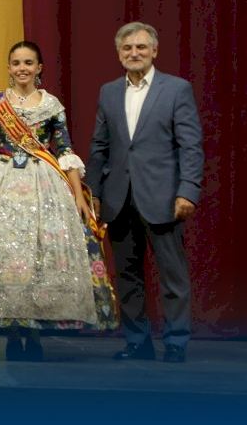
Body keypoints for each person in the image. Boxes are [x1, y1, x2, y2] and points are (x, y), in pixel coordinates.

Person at [0, 41, 117, 361]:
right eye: (16, 63)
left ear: (39, 68)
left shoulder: (52, 106)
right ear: (9, 67)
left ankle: (34, 332)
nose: (22, 68)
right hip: (0, 184)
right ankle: (13, 333)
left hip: (43, 184)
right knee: (7, 256)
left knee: (38, 257)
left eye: (28, 63)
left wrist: (77, 195)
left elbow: (65, 151)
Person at [87, 22, 203, 363]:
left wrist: (188, 191)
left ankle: (176, 342)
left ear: (154, 51)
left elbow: (191, 146)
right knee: (127, 276)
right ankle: (137, 341)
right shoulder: (109, 92)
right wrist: (94, 194)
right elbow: (99, 147)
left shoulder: (176, 89)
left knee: (172, 275)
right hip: (118, 198)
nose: (134, 53)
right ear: (118, 53)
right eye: (127, 48)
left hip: (164, 198)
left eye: (141, 47)